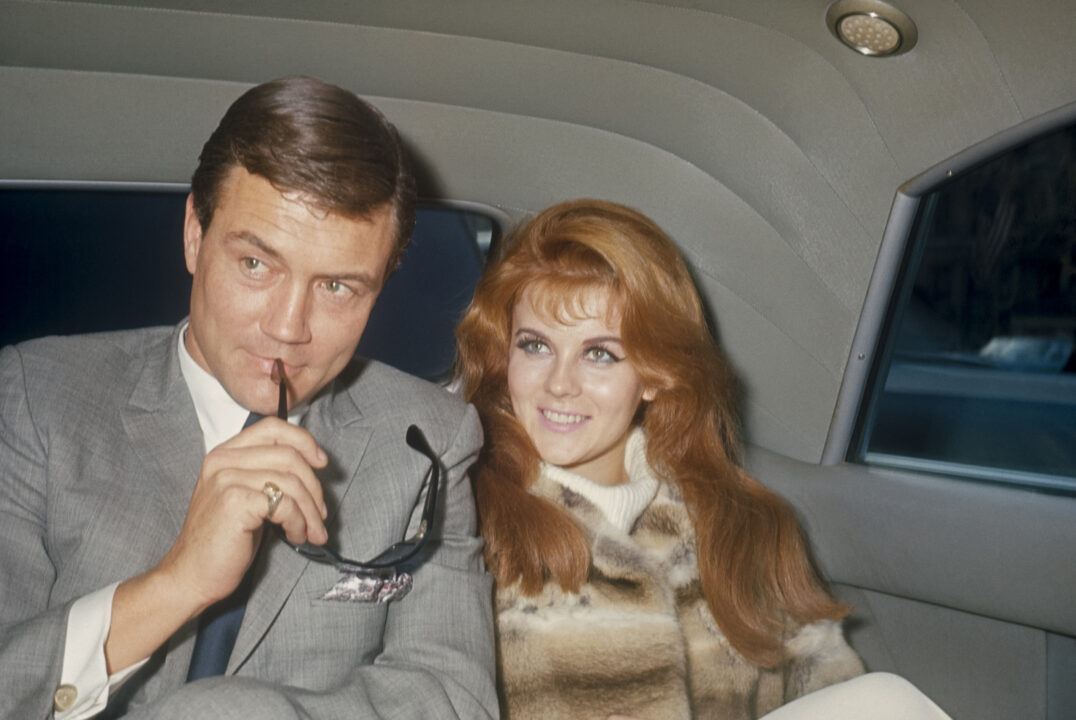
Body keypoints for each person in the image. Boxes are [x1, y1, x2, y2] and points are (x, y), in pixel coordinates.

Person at [0, 77, 496, 719]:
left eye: (339, 287)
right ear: (194, 235)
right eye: (256, 265)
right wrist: (177, 583)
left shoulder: (429, 439)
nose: (289, 327)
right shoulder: (36, 397)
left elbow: (454, 700)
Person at [455, 199, 951, 720]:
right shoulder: (462, 524)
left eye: (600, 353)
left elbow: (823, 684)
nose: (559, 384)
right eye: (535, 346)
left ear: (654, 375)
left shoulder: (744, 526)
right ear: (503, 355)